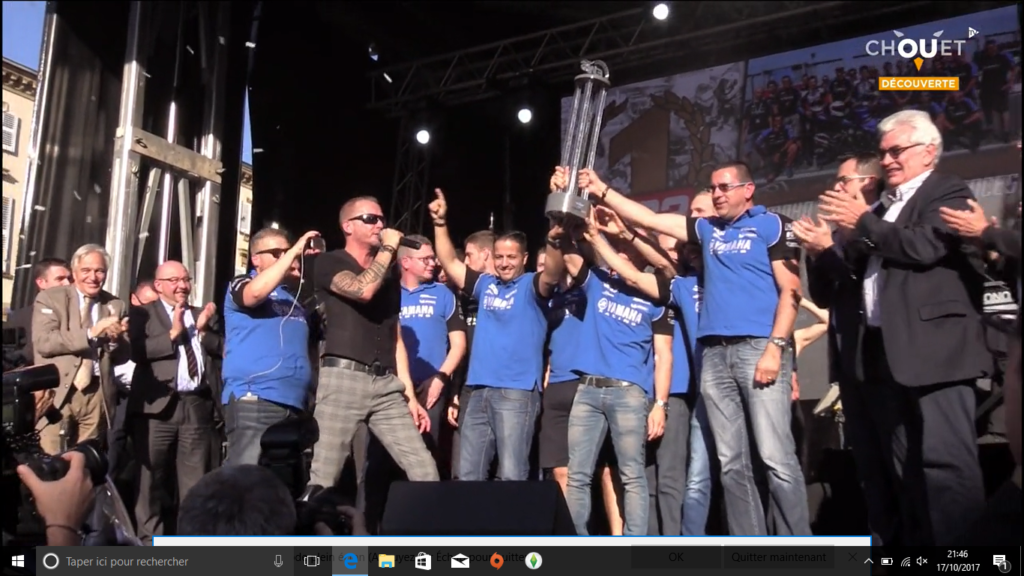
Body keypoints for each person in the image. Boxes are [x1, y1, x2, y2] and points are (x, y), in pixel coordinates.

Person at [572, 161, 809, 536]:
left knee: (774, 456)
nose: (718, 194)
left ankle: (800, 546)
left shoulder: (772, 224)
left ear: (748, 190)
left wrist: (776, 347)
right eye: (713, 188)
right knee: (731, 462)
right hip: (713, 356)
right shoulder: (707, 230)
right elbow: (649, 219)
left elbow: (791, 291)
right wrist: (602, 190)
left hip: (758, 347)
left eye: (725, 187)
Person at [816, 109, 991, 545]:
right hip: (885, 360)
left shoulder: (945, 189)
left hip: (938, 355)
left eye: (897, 151)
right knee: (904, 472)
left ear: (929, 151)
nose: (888, 160)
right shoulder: (883, 209)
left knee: (947, 469)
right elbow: (866, 260)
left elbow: (923, 246)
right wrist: (835, 243)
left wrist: (863, 224)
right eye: (883, 153)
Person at [540, 206, 672, 536]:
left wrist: (660, 404)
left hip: (629, 393)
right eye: (619, 248)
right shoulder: (600, 283)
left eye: (627, 249)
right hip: (587, 388)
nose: (621, 253)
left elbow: (664, 355)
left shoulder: (656, 295)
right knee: (579, 474)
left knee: (631, 474)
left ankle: (634, 545)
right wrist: (558, 229)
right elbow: (570, 257)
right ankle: (576, 543)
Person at [429, 189, 562, 481]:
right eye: (499, 256)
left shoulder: (532, 285)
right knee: (467, 475)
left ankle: (512, 528)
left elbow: (553, 272)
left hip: (516, 392)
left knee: (512, 475)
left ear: (524, 258)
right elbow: (451, 263)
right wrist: (440, 224)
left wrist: (553, 236)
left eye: (511, 257)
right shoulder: (485, 285)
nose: (504, 262)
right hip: (477, 390)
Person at [307, 196, 438, 493]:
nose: (380, 224)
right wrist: (390, 248)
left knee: (424, 468)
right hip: (343, 378)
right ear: (348, 226)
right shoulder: (330, 262)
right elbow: (362, 290)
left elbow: (396, 336)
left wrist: (409, 395)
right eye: (371, 219)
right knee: (324, 478)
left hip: (385, 384)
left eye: (382, 219)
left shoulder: (390, 278)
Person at [128, 260, 222, 542]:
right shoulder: (142, 314)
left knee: (196, 483)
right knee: (150, 482)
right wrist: (173, 333)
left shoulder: (201, 313)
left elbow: (224, 351)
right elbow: (136, 351)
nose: (182, 285)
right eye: (174, 280)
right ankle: (149, 545)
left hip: (196, 405)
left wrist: (204, 331)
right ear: (158, 285)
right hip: (156, 409)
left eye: (186, 279)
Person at [221, 227, 321, 466]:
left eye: (289, 253)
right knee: (246, 476)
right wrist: (295, 250)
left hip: (295, 403)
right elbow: (254, 294)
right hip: (256, 397)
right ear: (256, 259)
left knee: (281, 482)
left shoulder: (294, 298)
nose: (287, 257)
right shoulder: (243, 282)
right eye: (278, 253)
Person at [31, 244, 129, 454]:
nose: (93, 277)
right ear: (74, 272)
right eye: (86, 271)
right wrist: (91, 333)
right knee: (53, 460)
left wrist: (115, 341)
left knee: (86, 463)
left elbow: (122, 357)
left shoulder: (115, 305)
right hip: (58, 393)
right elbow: (45, 342)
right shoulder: (50, 298)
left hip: (96, 394)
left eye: (99, 271)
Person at [446, 234, 496, 478]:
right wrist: (455, 391)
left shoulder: (510, 290)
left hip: (506, 386)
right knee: (464, 469)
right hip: (469, 386)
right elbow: (462, 348)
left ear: (486, 254)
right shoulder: (462, 298)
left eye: (469, 255)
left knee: (507, 470)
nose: (464, 261)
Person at [108, 281, 159, 478]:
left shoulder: (158, 325)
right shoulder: (121, 323)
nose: (150, 311)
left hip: (146, 397)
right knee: (114, 446)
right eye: (146, 304)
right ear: (133, 299)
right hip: (121, 395)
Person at [7, 258, 72, 362]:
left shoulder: (76, 313)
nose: (67, 283)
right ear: (41, 283)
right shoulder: (20, 317)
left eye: (69, 279)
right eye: (60, 279)